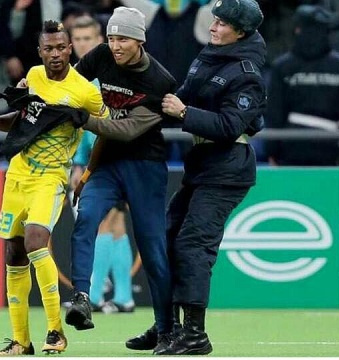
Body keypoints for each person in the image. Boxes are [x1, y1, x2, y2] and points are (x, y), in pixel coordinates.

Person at [0, 20, 108, 356]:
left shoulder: (85, 90)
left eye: (61, 48)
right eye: (49, 48)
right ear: (40, 51)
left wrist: (88, 173)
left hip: (51, 178)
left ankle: (56, 332)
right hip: (18, 175)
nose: (55, 54)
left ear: (70, 49)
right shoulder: (33, 76)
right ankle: (20, 342)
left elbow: (105, 130)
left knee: (34, 241)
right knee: (14, 252)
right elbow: (20, 123)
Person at [142, 0, 265, 355]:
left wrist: (183, 113)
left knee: (193, 245)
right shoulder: (210, 55)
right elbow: (178, 100)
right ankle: (168, 326)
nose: (214, 26)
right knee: (166, 240)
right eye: (215, 18)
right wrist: (136, 113)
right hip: (204, 164)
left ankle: (195, 335)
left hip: (228, 166)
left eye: (223, 23)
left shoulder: (247, 73)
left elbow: (229, 126)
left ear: (240, 32)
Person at [63, 6, 177, 353]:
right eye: (111, 37)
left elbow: (125, 129)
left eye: (122, 38)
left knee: (153, 249)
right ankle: (82, 297)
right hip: (108, 162)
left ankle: (166, 328)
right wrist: (37, 85)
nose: (115, 45)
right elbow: (71, 84)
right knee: (86, 220)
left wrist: (84, 120)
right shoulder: (101, 55)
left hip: (144, 164)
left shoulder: (159, 81)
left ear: (139, 40)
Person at [70, 14, 136, 313]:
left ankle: (95, 295)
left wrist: (81, 164)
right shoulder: (76, 75)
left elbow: (97, 125)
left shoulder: (105, 77)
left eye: (88, 39)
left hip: (109, 155)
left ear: (100, 41)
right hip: (110, 155)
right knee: (116, 224)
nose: (83, 44)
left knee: (104, 222)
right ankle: (123, 295)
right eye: (78, 39)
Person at [266, 4, 339, 166]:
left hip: (291, 146)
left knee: (294, 191)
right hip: (331, 146)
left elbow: (275, 112)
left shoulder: (282, 66)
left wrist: (272, 150)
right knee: (329, 191)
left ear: (297, 30)